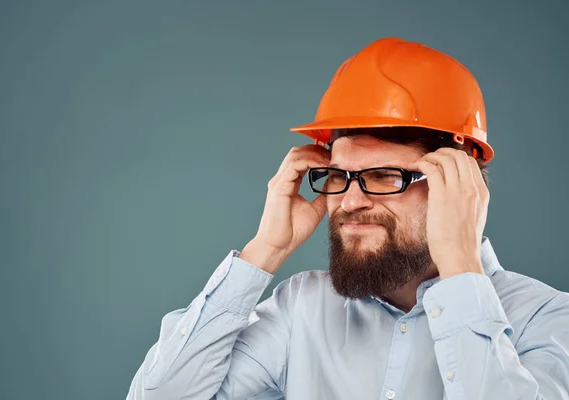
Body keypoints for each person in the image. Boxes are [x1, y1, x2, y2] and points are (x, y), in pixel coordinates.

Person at [126, 38, 569, 399]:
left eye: (382, 175)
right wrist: (265, 250)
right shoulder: (304, 307)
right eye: (338, 176)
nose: (351, 200)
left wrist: (459, 267)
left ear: (460, 183)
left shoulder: (546, 319)